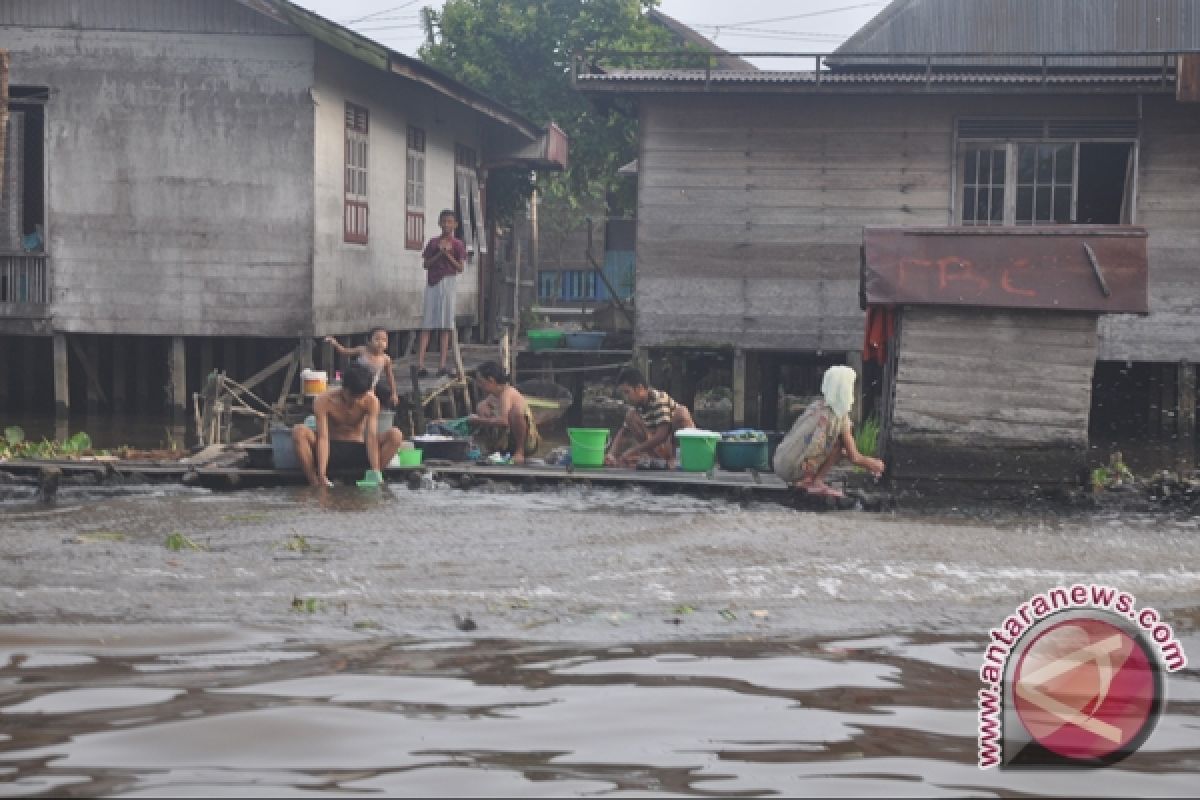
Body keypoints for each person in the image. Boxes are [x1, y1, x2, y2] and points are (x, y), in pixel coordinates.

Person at [773, 364, 885, 498]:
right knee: (840, 445)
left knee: (840, 449)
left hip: (779, 464)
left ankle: (809, 479)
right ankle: (815, 482)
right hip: (796, 470)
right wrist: (874, 464)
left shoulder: (816, 406)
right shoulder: (838, 416)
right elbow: (855, 457)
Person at [292, 362, 405, 488]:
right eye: (352, 396)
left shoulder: (371, 401)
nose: (356, 401)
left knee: (396, 435)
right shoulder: (323, 400)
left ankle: (371, 476)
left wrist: (376, 470)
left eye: (360, 397)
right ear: (344, 388)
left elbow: (371, 437)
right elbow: (323, 438)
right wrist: (322, 473)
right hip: (332, 447)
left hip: (359, 447)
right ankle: (315, 482)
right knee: (299, 431)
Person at [604, 367, 695, 468]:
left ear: (639, 388)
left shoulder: (659, 399)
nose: (626, 397)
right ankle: (657, 459)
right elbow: (623, 432)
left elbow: (662, 435)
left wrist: (633, 450)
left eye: (627, 392)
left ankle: (676, 459)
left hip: (676, 445)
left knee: (681, 412)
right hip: (660, 449)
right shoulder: (636, 406)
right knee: (630, 416)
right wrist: (611, 454)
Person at [416, 209, 467, 379]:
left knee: (446, 325)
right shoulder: (433, 243)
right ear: (439, 223)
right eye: (444, 221)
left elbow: (460, 268)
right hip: (433, 283)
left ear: (455, 225)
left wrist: (448, 255)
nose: (446, 225)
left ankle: (442, 364)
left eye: (450, 222)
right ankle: (420, 364)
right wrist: (439, 253)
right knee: (427, 323)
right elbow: (426, 264)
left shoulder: (458, 244)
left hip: (449, 282)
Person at [468, 361, 540, 465]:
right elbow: (484, 412)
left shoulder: (507, 393)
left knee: (516, 411)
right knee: (481, 406)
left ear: (491, 380)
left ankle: (520, 453)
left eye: (481, 381)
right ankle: (495, 449)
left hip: (526, 443)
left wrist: (478, 420)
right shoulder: (493, 396)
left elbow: (504, 421)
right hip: (505, 441)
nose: (479, 385)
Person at [324, 327, 398, 408]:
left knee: (370, 404)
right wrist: (335, 343)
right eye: (377, 339)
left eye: (384, 340)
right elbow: (344, 351)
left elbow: (390, 377)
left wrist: (394, 393)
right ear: (369, 341)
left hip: (371, 387)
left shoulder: (386, 359)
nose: (380, 342)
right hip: (355, 382)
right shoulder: (362, 350)